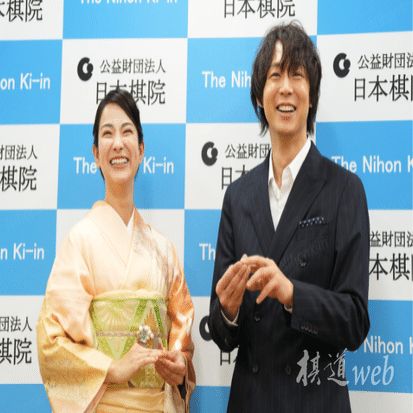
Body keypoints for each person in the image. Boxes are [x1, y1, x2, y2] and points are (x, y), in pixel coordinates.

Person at [208, 22, 370, 413]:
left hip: (314, 401)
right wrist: (228, 311)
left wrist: (292, 294)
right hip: (250, 401)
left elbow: (354, 321)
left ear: (311, 96)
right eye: (274, 75)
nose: (285, 88)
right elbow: (221, 333)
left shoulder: (344, 189)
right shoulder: (238, 196)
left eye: (297, 75)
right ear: (259, 96)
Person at [37, 89, 195, 413]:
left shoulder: (164, 251)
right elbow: (51, 342)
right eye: (107, 134)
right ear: (96, 154)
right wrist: (112, 368)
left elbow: (182, 339)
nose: (118, 143)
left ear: (141, 150)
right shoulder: (79, 242)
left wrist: (180, 367)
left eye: (127, 132)